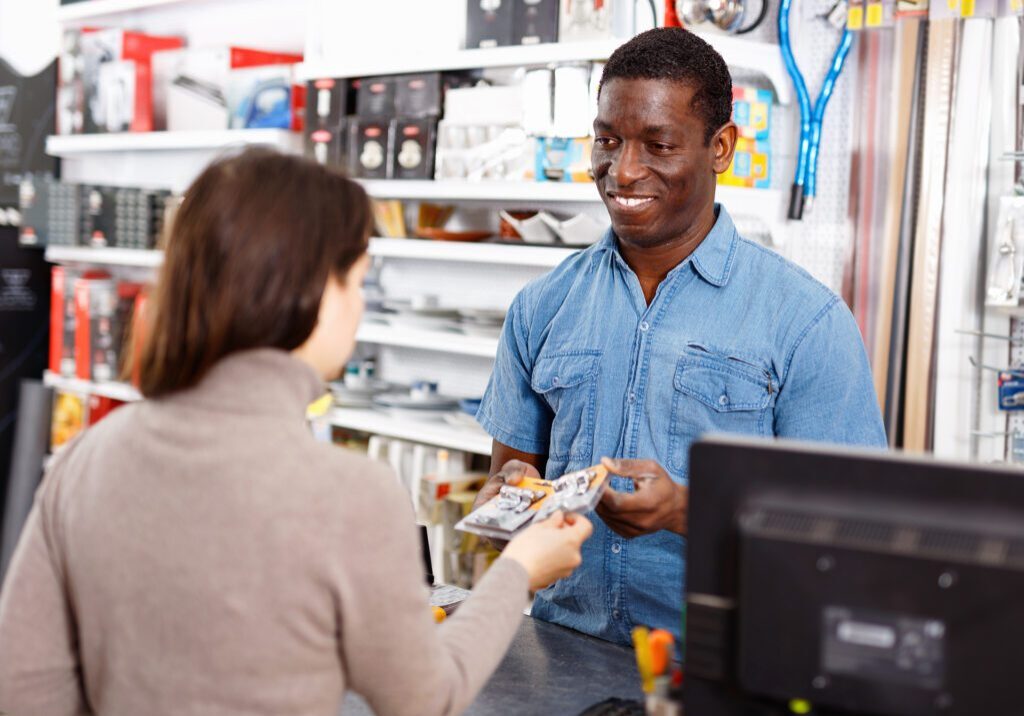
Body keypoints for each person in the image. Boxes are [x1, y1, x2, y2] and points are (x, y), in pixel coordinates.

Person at [0, 149, 593, 716]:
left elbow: (24, 689)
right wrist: (519, 569)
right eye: (356, 282)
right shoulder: (352, 494)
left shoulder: (87, 457)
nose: (358, 307)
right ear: (308, 294)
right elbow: (424, 698)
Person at [474, 27, 887, 646]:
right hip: (561, 651)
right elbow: (510, 476)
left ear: (720, 147)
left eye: (658, 145)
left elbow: (852, 533)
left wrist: (684, 511)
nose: (624, 170)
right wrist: (506, 502)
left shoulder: (805, 321)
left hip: (722, 669)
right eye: (607, 141)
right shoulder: (543, 305)